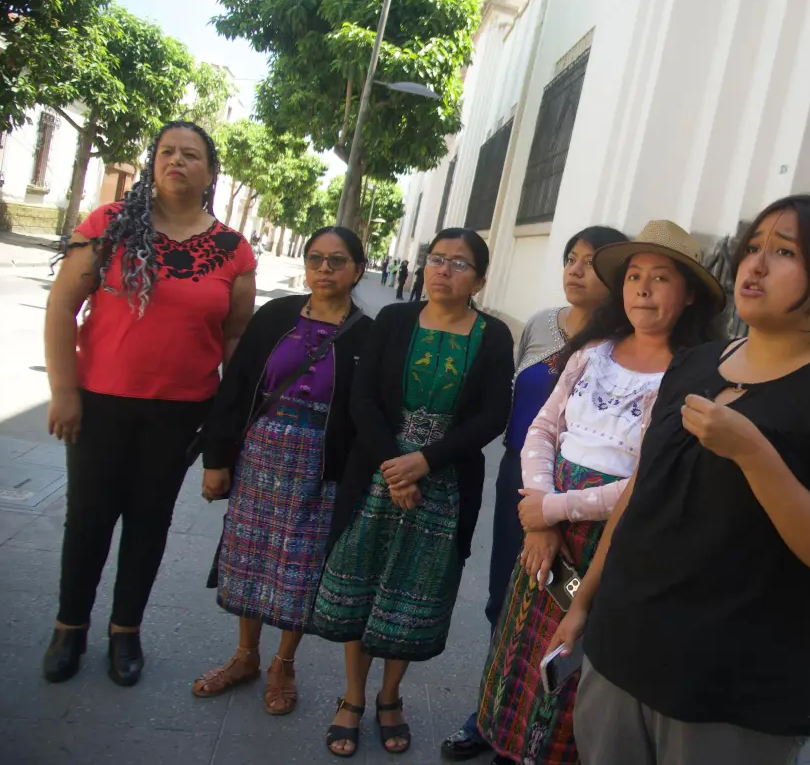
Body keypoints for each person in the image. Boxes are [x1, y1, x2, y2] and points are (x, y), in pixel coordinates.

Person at [547, 195, 810, 764]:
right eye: (753, 247)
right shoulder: (695, 364)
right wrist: (586, 602)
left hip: (731, 687)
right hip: (623, 651)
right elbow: (640, 494)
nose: (755, 264)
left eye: (784, 253)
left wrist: (756, 456)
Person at [476, 220, 725, 765]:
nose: (642, 287)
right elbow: (542, 429)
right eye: (635, 275)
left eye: (661, 278)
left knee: (571, 667)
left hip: (608, 543)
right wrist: (538, 517)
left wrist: (554, 509)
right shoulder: (593, 351)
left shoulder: (689, 377)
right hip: (543, 534)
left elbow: (648, 481)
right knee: (519, 651)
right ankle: (504, 748)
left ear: (687, 297)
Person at [41, 121, 257, 686]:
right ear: (153, 161)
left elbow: (235, 340)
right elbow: (63, 307)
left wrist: (225, 433)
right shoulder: (110, 227)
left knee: (148, 521)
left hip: (182, 412)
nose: (176, 161)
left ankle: (125, 631)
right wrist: (64, 390)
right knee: (88, 517)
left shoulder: (233, 251)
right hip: (99, 401)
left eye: (191, 155)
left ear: (211, 173)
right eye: (166, 152)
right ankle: (69, 627)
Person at [310, 228, 515, 757]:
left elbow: (493, 414)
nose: (443, 270)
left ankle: (390, 696)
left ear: (481, 280)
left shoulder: (492, 337)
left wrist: (424, 462)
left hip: (443, 486)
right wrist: (394, 467)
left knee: (411, 593)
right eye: (437, 259)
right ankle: (352, 697)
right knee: (361, 583)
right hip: (377, 477)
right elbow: (362, 399)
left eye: (459, 264)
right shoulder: (394, 321)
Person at [439, 225, 630, 761]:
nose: (574, 269)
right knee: (507, 597)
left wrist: (551, 509)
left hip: (579, 505)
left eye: (590, 263)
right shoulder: (543, 324)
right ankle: (490, 714)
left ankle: (550, 732)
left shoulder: (619, 345)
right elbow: (523, 409)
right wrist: (533, 502)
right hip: (519, 486)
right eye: (571, 258)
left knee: (562, 608)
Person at [190, 226, 374, 715]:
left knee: (300, 567)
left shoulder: (369, 336)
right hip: (261, 453)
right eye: (316, 258)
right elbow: (238, 387)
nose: (325, 269)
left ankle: (283, 664)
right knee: (247, 557)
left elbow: (367, 414)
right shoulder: (276, 315)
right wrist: (217, 459)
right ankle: (245, 656)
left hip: (321, 466)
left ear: (358, 268)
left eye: (338, 261)